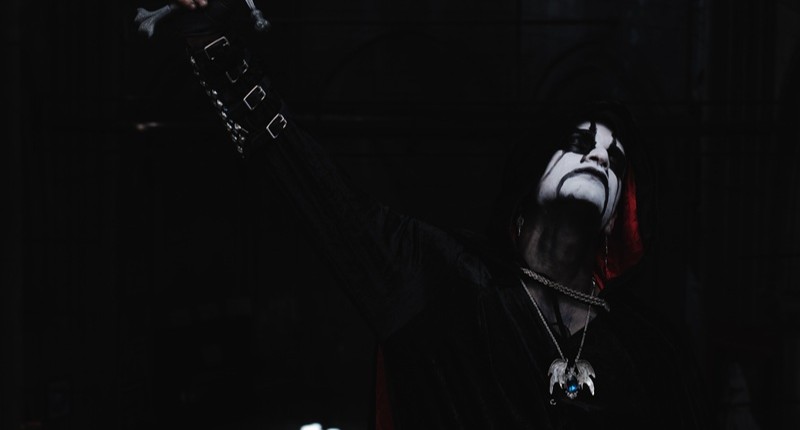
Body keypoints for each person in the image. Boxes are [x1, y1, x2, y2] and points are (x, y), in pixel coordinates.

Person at [150, 1, 714, 428]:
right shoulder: (440, 277)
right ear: (533, 175)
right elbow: (326, 200)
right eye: (579, 141)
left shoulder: (647, 347)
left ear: (618, 217)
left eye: (616, 158)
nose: (599, 156)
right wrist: (216, 48)